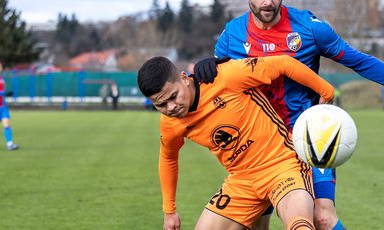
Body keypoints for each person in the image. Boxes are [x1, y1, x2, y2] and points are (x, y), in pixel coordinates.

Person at [194, 0, 384, 230]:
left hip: (309, 139)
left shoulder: (309, 28)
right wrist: (204, 68)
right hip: (262, 148)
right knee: (258, 223)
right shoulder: (232, 34)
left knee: (322, 216)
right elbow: (219, 85)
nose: (268, 2)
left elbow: (361, 61)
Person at [138, 55, 334, 230]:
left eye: (173, 96)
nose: (171, 107)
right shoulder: (170, 124)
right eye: (160, 104)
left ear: (183, 78)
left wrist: (326, 91)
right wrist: (169, 211)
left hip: (282, 165)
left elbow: (283, 63)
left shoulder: (226, 76)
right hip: (242, 181)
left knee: (300, 225)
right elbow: (168, 158)